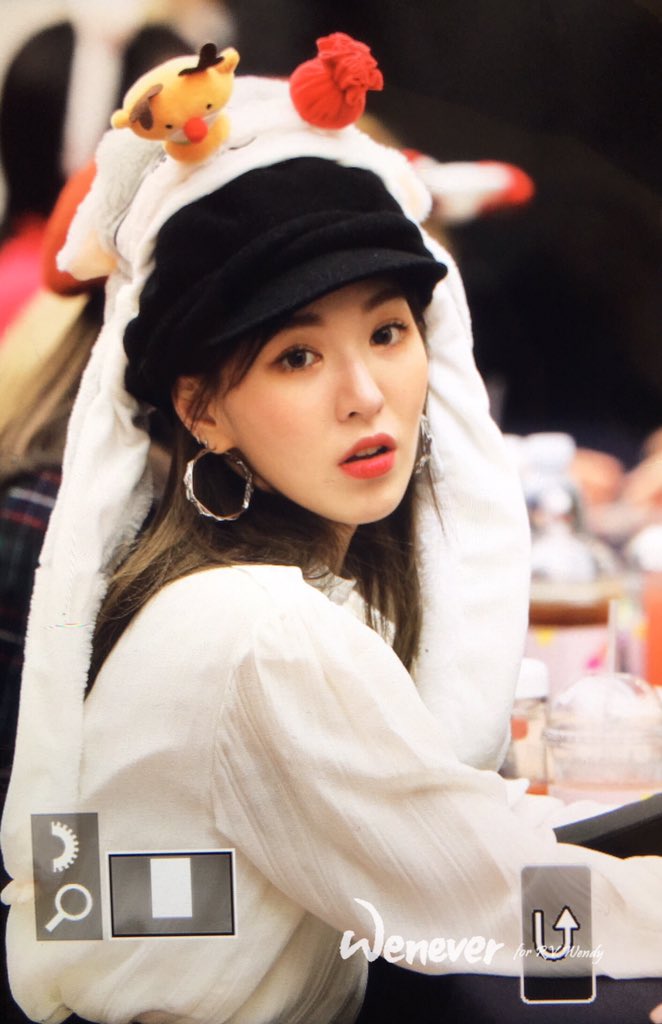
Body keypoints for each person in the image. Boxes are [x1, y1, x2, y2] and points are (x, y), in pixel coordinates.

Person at [1, 34, 661, 1024]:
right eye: (296, 357)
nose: (364, 393)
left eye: (387, 332)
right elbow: (487, 898)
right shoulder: (259, 634)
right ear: (201, 410)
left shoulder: (281, 594)